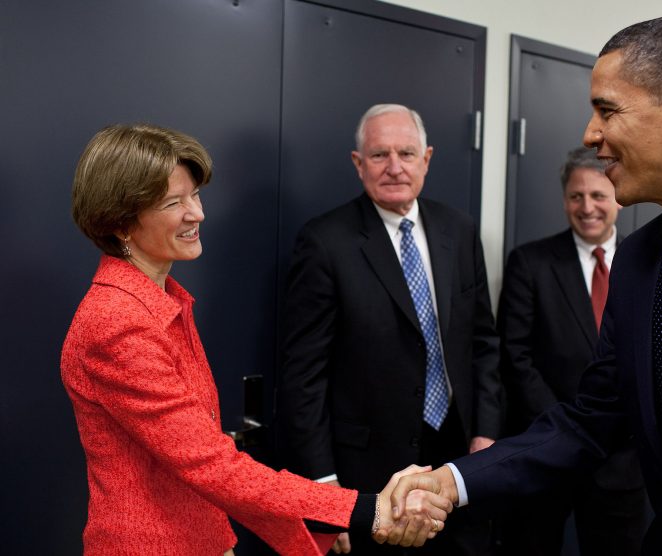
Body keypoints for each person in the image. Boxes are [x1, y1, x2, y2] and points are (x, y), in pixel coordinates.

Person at [390, 14, 662, 555]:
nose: (590, 134)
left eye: (607, 110)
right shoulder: (639, 259)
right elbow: (591, 420)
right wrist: (453, 480)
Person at [61, 124, 452, 556]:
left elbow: (203, 466)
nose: (197, 214)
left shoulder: (163, 301)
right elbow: (211, 465)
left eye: (195, 194)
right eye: (174, 202)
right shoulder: (117, 321)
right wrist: (365, 509)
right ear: (120, 225)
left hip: (205, 539)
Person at [278, 104, 503, 554]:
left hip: (457, 457)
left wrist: (486, 432)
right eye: (380, 155)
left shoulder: (457, 230)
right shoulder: (325, 241)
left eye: (407, 153)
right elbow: (304, 375)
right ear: (359, 164)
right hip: (367, 470)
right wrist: (325, 490)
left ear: (428, 159)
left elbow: (483, 341)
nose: (395, 167)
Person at [498, 146, 648, 555]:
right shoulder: (529, 263)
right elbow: (516, 358)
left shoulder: (648, 262)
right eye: (576, 196)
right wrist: (563, 433)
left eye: (598, 195)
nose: (587, 207)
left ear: (616, 196)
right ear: (565, 200)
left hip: (624, 460)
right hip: (547, 451)